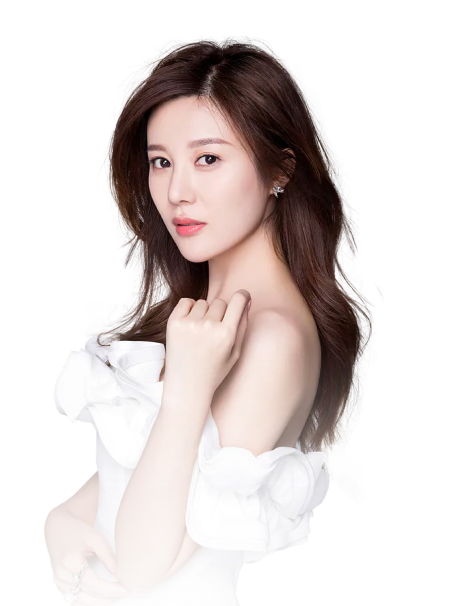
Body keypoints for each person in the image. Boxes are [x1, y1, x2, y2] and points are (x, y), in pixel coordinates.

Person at [44, 37, 374, 605]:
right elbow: (137, 469)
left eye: (208, 159)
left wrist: (187, 391)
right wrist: (62, 520)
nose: (177, 192)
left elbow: (143, 566)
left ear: (280, 168)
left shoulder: (273, 338)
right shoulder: (201, 312)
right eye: (161, 161)